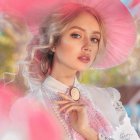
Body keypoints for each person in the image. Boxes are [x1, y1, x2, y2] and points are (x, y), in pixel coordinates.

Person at [10, 0, 140, 139]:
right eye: (76, 35)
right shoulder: (29, 108)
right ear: (53, 42)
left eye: (94, 39)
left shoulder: (107, 98)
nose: (88, 46)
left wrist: (87, 131)